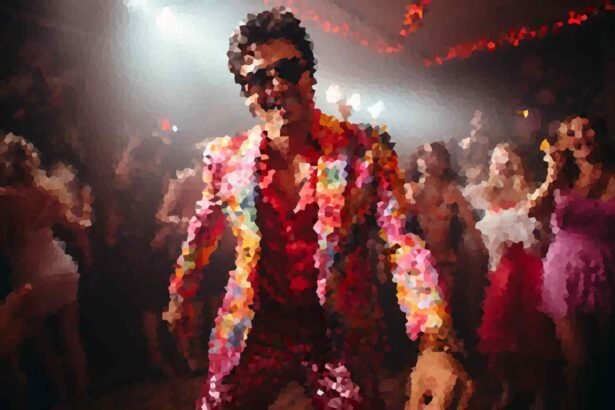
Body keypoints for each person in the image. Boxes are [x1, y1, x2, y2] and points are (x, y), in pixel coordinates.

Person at [163, 8, 465, 409]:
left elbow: (403, 243)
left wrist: (435, 340)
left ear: (310, 75)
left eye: (288, 70)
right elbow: (202, 232)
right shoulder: (226, 159)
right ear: (246, 92)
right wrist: (181, 294)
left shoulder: (365, 151)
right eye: (259, 78)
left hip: (336, 335)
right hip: (256, 329)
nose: (277, 86)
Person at [0, 133, 91, 407]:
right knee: (71, 339)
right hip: (60, 267)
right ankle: (82, 399)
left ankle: (62, 398)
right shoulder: (48, 191)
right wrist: (87, 204)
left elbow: (6, 245)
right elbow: (76, 226)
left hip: (31, 272)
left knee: (44, 346)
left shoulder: (6, 199)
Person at [475, 143, 561, 408]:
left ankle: (540, 393)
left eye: (507, 159)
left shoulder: (529, 192)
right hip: (503, 271)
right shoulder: (486, 195)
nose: (502, 165)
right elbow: (485, 239)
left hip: (529, 268)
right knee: (503, 332)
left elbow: (540, 231)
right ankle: (509, 389)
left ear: (517, 163)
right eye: (497, 160)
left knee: (534, 332)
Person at [538, 117, 615, 409]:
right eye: (571, 132)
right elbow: (535, 212)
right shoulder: (561, 179)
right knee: (579, 363)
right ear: (563, 143)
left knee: (605, 360)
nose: (581, 136)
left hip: (607, 271)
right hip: (566, 274)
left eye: (587, 128)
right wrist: (552, 176)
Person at [405, 142, 486, 348]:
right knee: (425, 321)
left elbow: (472, 226)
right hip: (418, 267)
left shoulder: (452, 192)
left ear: (444, 163)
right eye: (425, 155)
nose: (430, 160)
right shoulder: (409, 192)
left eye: (436, 156)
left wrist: (486, 255)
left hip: (447, 262)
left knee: (448, 317)